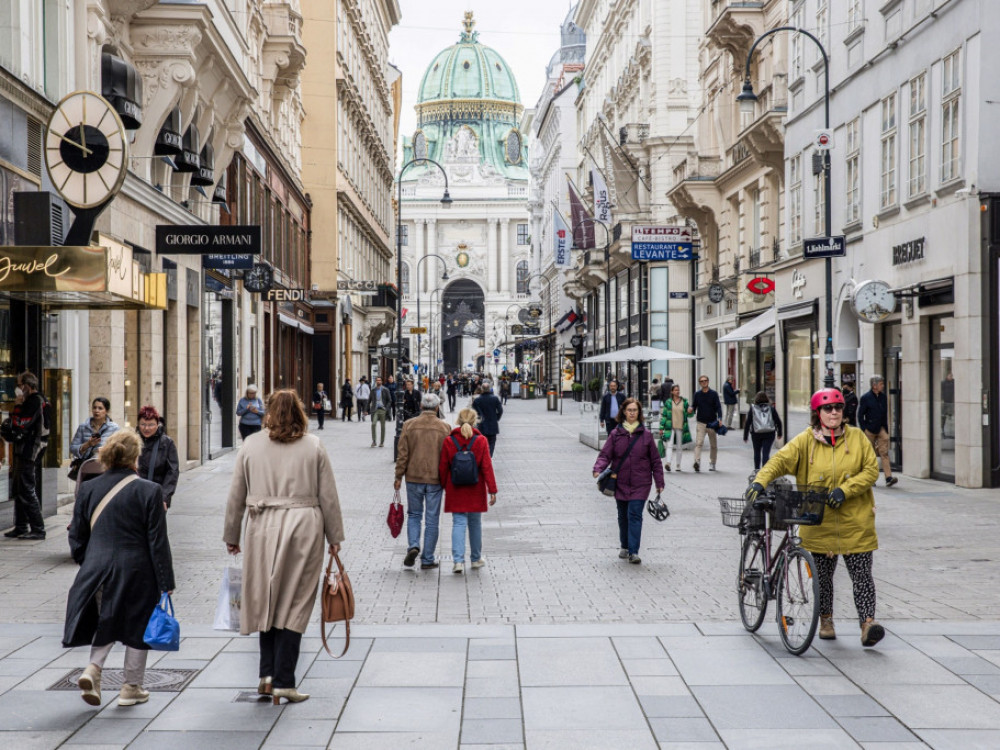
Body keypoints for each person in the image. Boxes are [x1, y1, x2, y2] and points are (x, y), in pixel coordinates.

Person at [223, 390, 345, 705]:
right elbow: (328, 496)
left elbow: (237, 493)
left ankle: (266, 676)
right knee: (295, 601)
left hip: (262, 525)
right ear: (300, 413)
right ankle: (284, 681)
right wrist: (335, 537)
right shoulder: (314, 446)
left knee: (265, 597)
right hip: (304, 526)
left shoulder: (250, 445)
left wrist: (232, 534)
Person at [747, 388, 884, 647]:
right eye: (828, 409)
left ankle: (868, 624)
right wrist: (760, 481)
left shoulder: (856, 438)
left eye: (838, 408)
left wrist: (845, 490)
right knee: (823, 579)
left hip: (856, 523)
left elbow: (870, 471)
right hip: (818, 524)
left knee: (862, 576)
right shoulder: (805, 441)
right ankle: (826, 620)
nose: (834, 413)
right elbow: (778, 462)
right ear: (817, 413)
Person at [63, 430, 175, 707]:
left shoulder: (89, 489)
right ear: (136, 458)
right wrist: (166, 580)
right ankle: (131, 688)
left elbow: (76, 536)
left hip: (97, 567)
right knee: (138, 623)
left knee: (106, 620)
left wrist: (87, 561)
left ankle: (93, 669)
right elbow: (157, 541)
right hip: (138, 569)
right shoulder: (150, 490)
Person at [593, 398, 664, 565]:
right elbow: (605, 454)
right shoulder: (616, 434)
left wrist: (659, 483)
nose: (632, 413)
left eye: (635, 410)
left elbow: (655, 461)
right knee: (622, 516)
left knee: (634, 514)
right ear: (624, 412)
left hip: (641, 483)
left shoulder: (646, 436)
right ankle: (624, 545)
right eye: (629, 410)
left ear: (639, 413)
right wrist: (598, 468)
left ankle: (634, 551)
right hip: (621, 482)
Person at [394, 393, 451, 569]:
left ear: (420, 406)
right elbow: (448, 456)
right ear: (436, 408)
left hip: (413, 477)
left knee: (414, 515)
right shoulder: (445, 428)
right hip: (435, 479)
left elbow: (402, 454)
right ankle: (427, 559)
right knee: (432, 519)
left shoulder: (409, 425)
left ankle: (413, 546)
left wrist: (398, 476)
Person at [439, 408, 498, 574]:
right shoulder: (481, 441)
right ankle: (475, 558)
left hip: (455, 488)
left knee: (458, 523)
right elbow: (487, 466)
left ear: (458, 420)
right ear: (475, 421)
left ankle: (457, 561)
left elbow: (443, 466)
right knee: (475, 523)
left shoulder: (449, 441)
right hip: (475, 488)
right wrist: (492, 490)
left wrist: (444, 486)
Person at [5, 371, 48, 540]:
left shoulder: (34, 401)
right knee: (20, 487)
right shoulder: (36, 400)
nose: (18, 388)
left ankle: (38, 528)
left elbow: (20, 424)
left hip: (30, 450)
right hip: (24, 450)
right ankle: (21, 525)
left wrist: (17, 405)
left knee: (27, 488)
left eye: (20, 385)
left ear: (27, 386)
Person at [857, 375, 898, 487]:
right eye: (881, 384)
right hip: (869, 429)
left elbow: (885, 414)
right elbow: (860, 415)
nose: (883, 386)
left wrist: (885, 428)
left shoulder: (883, 397)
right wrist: (864, 429)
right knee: (870, 455)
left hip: (881, 428)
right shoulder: (866, 397)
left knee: (884, 452)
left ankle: (888, 477)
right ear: (874, 386)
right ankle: (871, 477)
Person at [136, 406, 180, 510]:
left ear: (157, 425)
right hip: (135, 495)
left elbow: (172, 472)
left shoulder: (167, 443)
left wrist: (164, 497)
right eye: (143, 424)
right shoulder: (132, 440)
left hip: (157, 496)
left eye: (151, 425)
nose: (146, 428)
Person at [70, 398, 120, 465]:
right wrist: (88, 444)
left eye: (100, 408)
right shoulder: (83, 427)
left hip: (106, 466)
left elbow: (120, 449)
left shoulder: (114, 428)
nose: (96, 411)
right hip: (86, 467)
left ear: (106, 411)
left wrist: (106, 450)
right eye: (94, 408)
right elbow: (73, 448)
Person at [690, 375, 723, 472]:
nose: (704, 382)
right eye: (701, 381)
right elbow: (694, 406)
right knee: (699, 443)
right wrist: (691, 409)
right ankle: (697, 461)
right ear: (700, 383)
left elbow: (718, 407)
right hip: (701, 423)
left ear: (708, 382)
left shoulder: (714, 394)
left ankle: (712, 463)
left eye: (705, 380)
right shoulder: (697, 394)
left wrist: (720, 418)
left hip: (712, 422)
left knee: (713, 445)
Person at [743, 391, 783, 471]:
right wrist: (779, 433)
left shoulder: (753, 408)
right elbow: (778, 421)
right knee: (766, 453)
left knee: (757, 452)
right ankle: (765, 472)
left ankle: (757, 470)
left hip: (756, 434)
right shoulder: (771, 408)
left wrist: (745, 436)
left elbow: (748, 423)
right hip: (769, 433)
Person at [658, 384, 691, 472]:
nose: (677, 391)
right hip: (670, 427)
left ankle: (678, 464)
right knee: (669, 445)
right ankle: (668, 463)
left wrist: (690, 411)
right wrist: (661, 428)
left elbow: (690, 414)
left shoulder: (684, 402)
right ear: (672, 392)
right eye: (675, 390)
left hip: (681, 426)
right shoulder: (668, 402)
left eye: (678, 390)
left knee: (679, 446)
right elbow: (664, 416)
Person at [472, 381, 504, 456]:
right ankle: (489, 456)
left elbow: (475, 413)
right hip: (493, 424)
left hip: (482, 425)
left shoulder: (477, 400)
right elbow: (500, 410)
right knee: (492, 442)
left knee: (482, 442)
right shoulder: (495, 399)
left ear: (482, 389)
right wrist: (496, 418)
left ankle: (485, 456)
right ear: (489, 389)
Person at [368, 376, 392, 447]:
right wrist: (366, 410)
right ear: (376, 382)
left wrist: (386, 408)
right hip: (375, 409)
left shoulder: (385, 390)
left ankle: (381, 442)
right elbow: (369, 400)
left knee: (383, 426)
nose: (378, 381)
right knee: (373, 424)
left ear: (381, 381)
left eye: (379, 380)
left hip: (382, 409)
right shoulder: (373, 390)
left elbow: (389, 400)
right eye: (377, 380)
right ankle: (374, 441)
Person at [941, 371, 954, 437]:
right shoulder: (943, 383)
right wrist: (942, 399)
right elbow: (941, 392)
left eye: (951, 376)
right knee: (944, 416)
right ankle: (942, 430)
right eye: (949, 376)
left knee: (950, 416)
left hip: (951, 402)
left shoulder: (953, 383)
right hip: (945, 402)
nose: (950, 377)